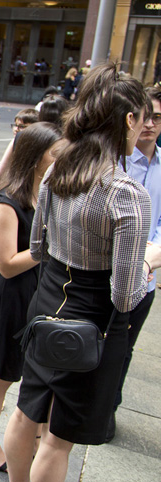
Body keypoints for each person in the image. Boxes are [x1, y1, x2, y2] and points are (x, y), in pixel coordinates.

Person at [0, 65, 161, 482]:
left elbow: (39, 247)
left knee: (27, 410)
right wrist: (152, 259)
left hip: (48, 299)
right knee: (58, 439)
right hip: (92, 322)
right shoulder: (126, 195)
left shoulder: (58, 173)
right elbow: (127, 294)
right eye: (143, 117)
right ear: (128, 119)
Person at [0, 123, 61, 475]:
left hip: (39, 293)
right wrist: (51, 246)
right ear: (36, 158)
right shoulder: (6, 201)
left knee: (31, 374)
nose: (61, 160)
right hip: (10, 297)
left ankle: (29, 437)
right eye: (55, 154)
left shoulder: (48, 195)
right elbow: (6, 265)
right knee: (0, 375)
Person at [113, 86, 161, 442]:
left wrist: (148, 257)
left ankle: (108, 407)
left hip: (142, 278)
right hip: (103, 271)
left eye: (156, 118)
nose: (149, 124)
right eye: (145, 116)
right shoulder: (115, 160)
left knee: (124, 348)